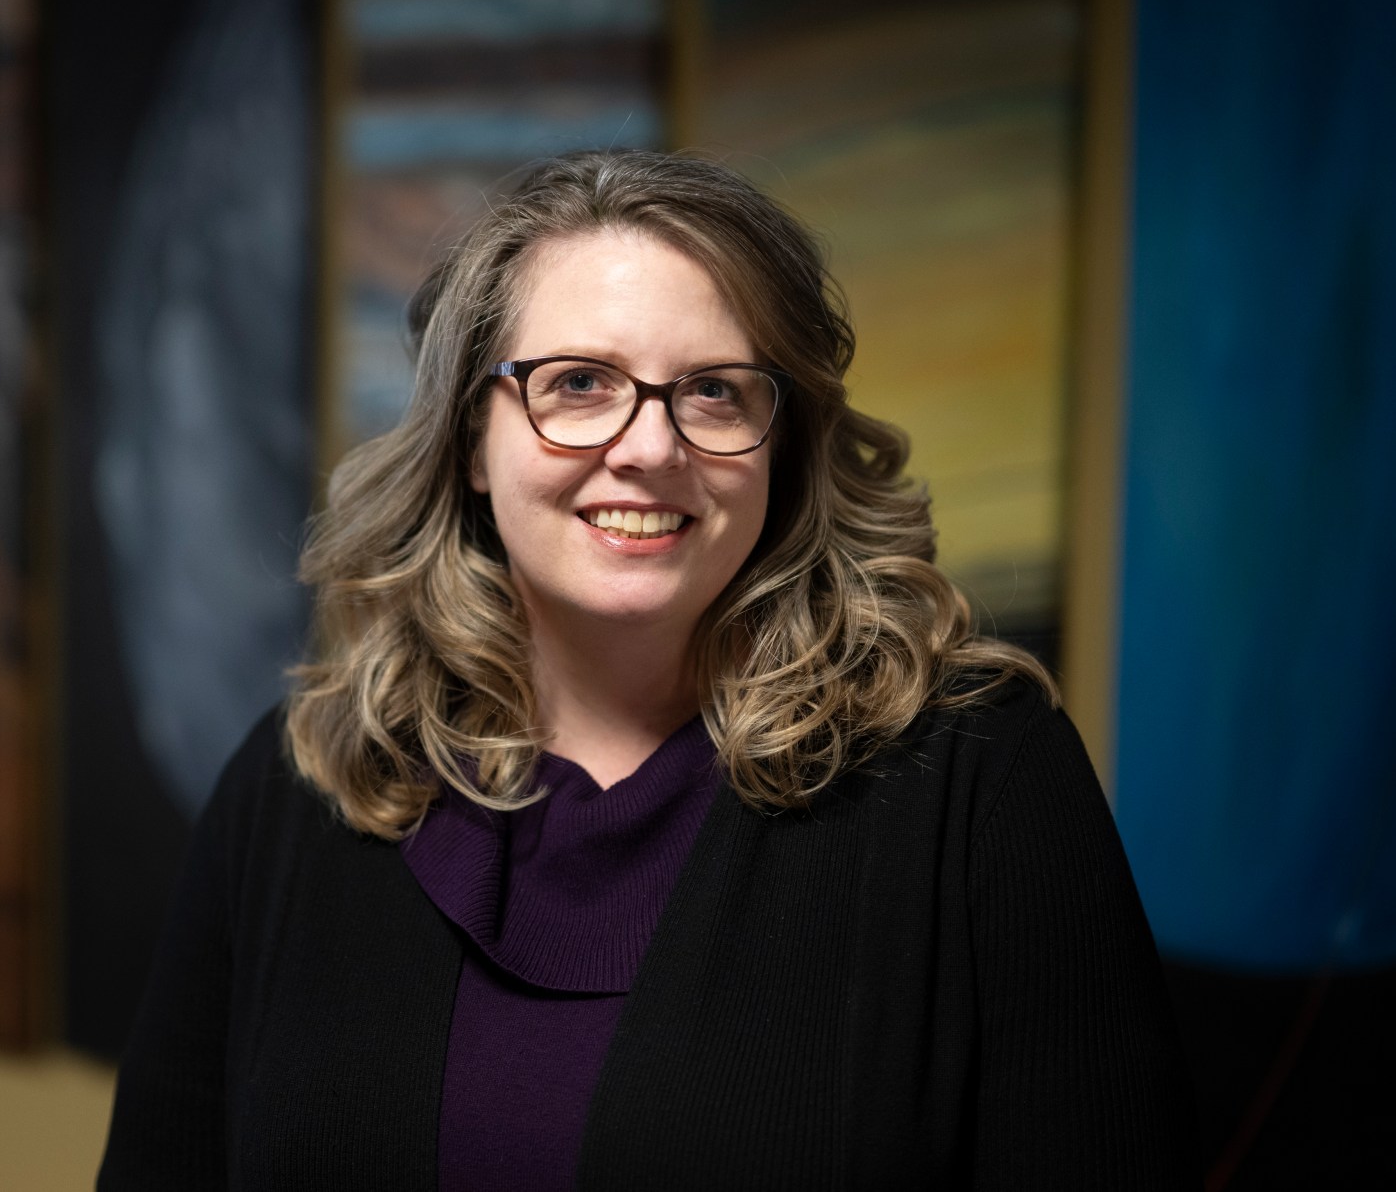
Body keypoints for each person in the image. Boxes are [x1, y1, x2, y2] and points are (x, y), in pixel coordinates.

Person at [98, 150, 1195, 1190]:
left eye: (714, 392)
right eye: (577, 383)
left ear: (784, 446)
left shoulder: (976, 782)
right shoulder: (308, 777)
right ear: (470, 443)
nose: (650, 446)